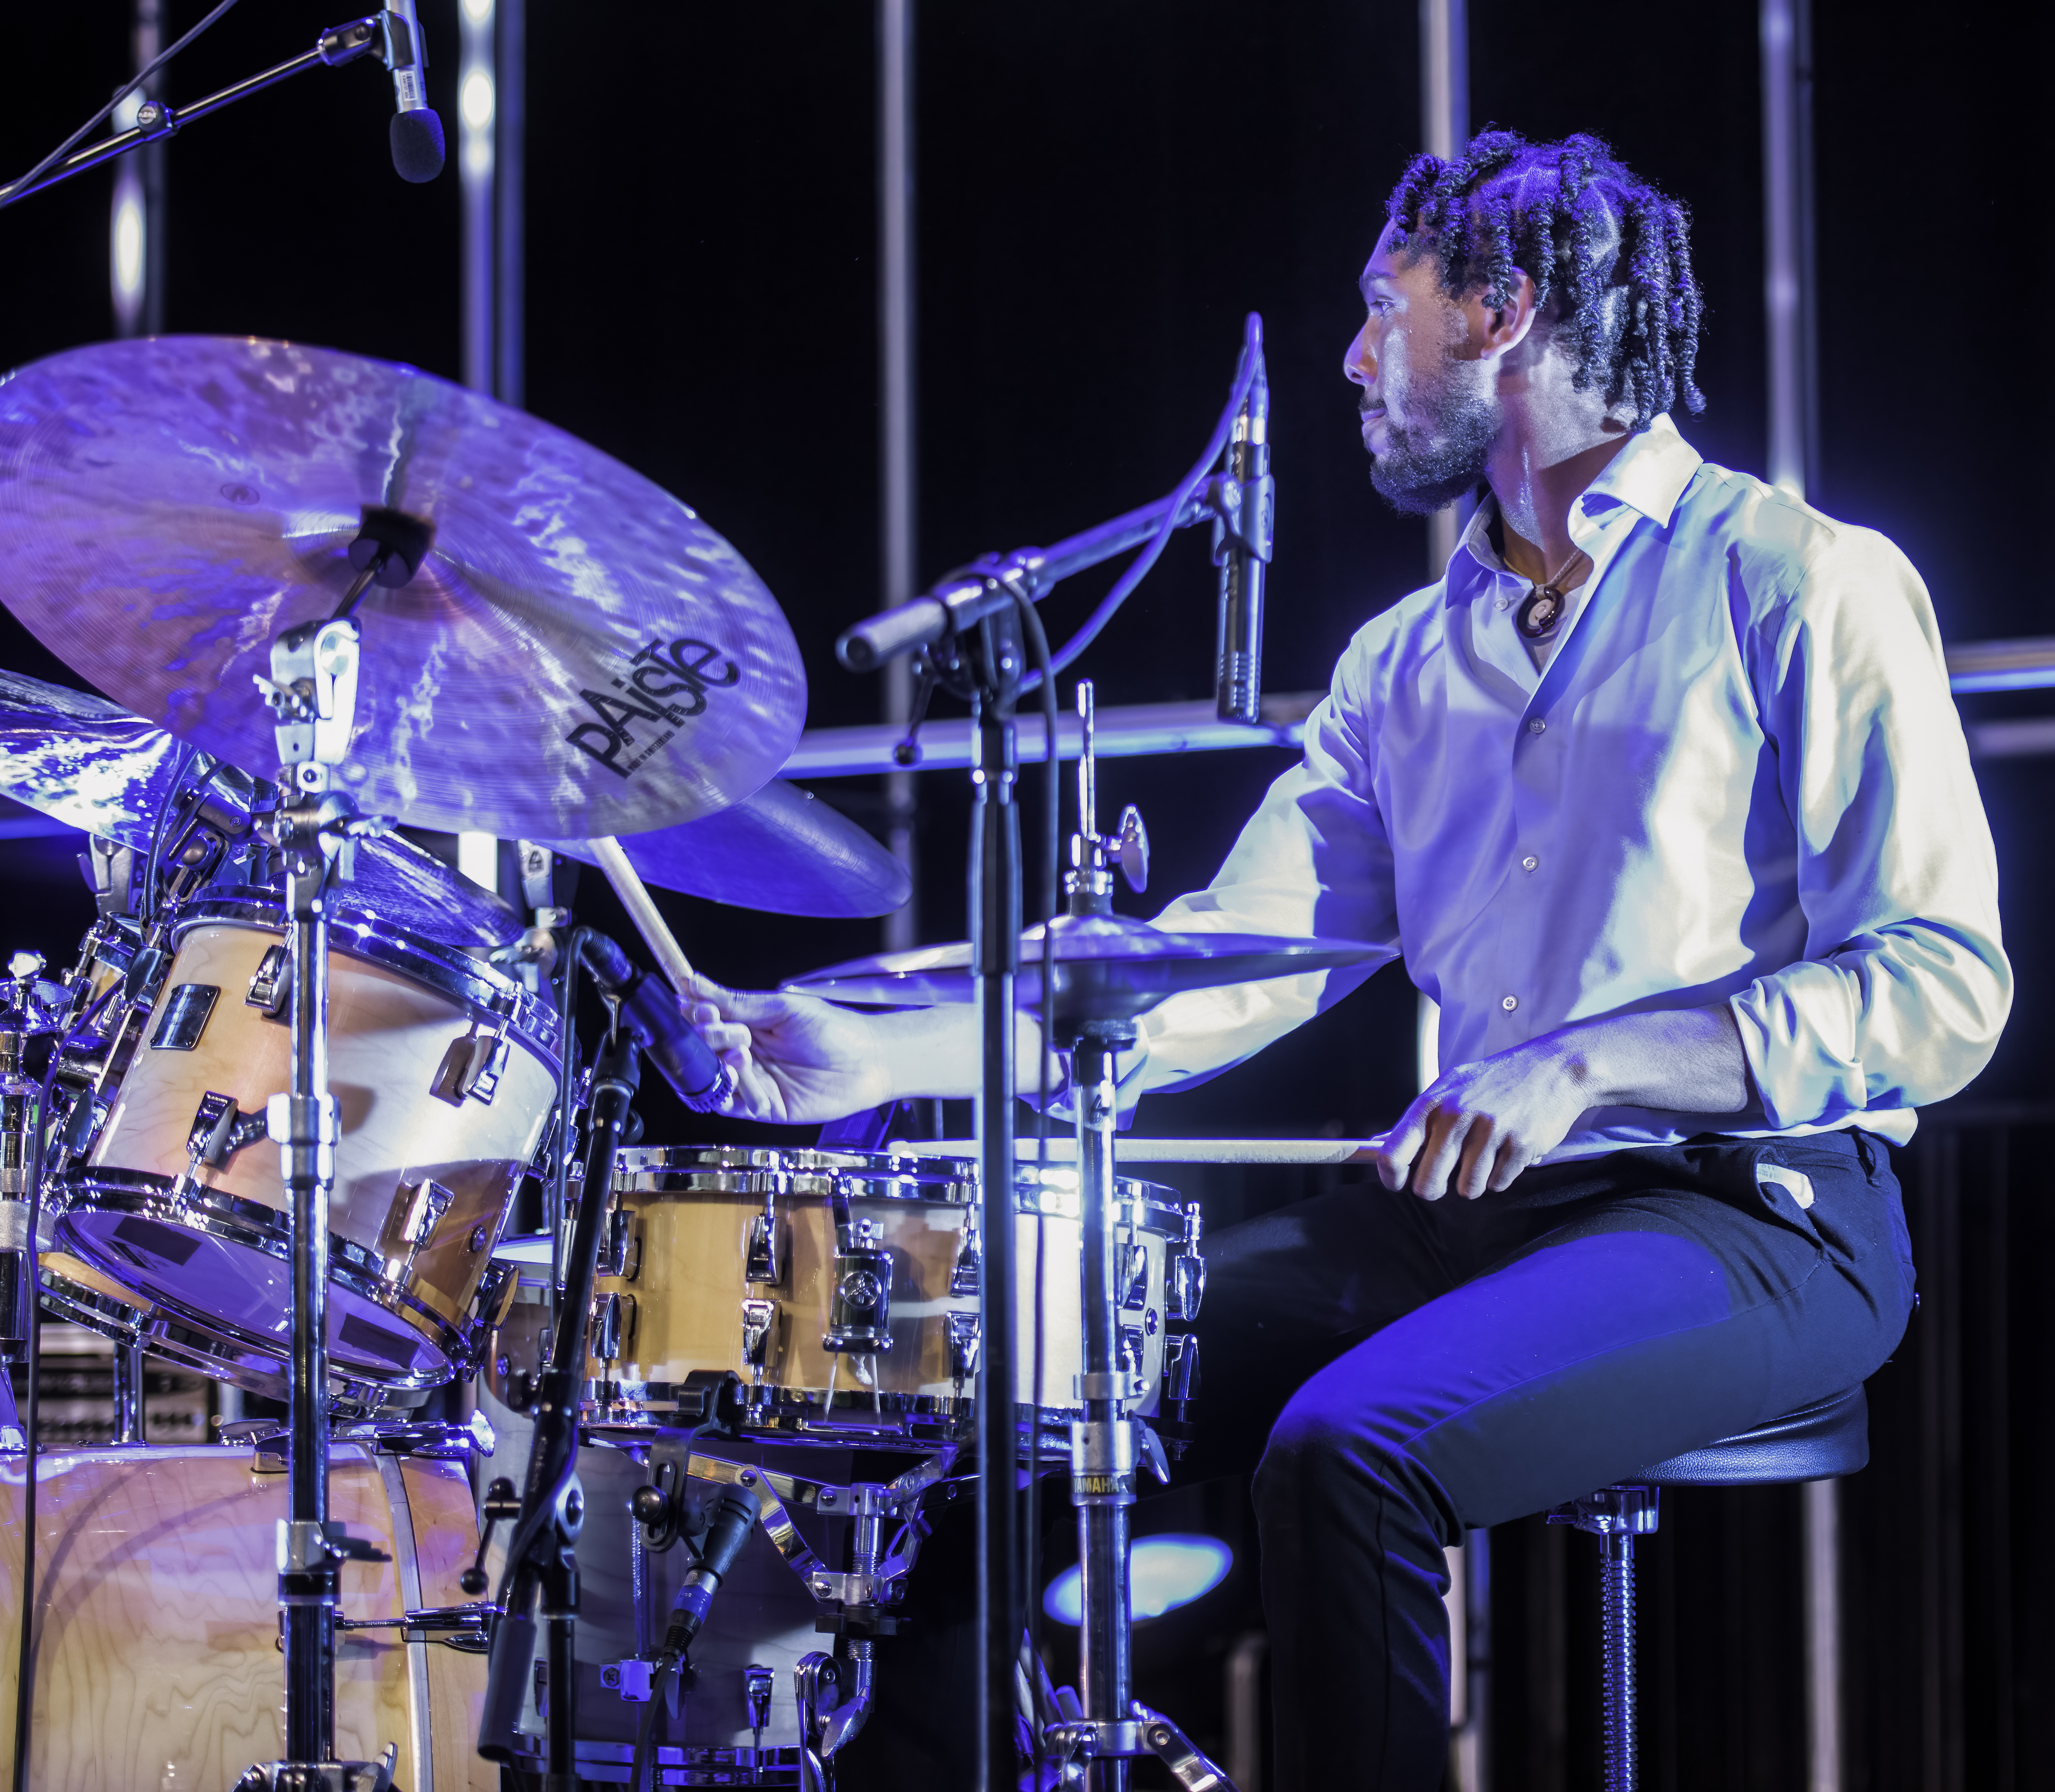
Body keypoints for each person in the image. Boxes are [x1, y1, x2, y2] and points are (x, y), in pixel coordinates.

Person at [682, 130, 2009, 1788]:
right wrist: (871, 1054)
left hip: (1754, 1211)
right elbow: (1213, 976)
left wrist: (1585, 1063)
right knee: (990, 1416)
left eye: (1386, 311)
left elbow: (1944, 982)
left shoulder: (1802, 576)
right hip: (1471, 1219)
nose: (1351, 359)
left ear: (1505, 310)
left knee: (1346, 1454)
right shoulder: (1401, 659)